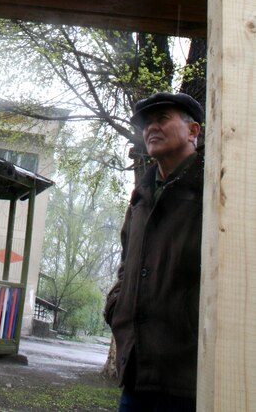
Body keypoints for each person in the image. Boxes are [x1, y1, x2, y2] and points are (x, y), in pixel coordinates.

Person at [104, 92, 205, 412]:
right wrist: (116, 305)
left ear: (193, 132)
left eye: (162, 119)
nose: (151, 128)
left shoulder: (214, 188)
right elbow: (125, 265)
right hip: (136, 375)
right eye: (147, 123)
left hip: (188, 378)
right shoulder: (140, 199)